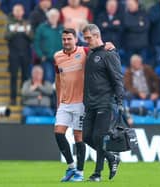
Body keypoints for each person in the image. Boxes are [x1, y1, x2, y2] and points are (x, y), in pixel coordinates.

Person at [82, 24, 123, 182]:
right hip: (90, 103)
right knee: (86, 137)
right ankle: (111, 157)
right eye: (85, 38)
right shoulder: (91, 53)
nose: (86, 41)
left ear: (97, 35)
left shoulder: (109, 54)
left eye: (88, 38)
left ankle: (97, 174)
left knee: (99, 137)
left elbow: (117, 79)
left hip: (105, 102)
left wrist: (119, 101)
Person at [53, 28, 87, 182]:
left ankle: (80, 172)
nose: (66, 42)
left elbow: (98, 46)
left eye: (69, 39)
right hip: (64, 103)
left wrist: (108, 45)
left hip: (80, 103)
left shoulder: (84, 52)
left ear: (76, 39)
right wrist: (58, 102)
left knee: (78, 137)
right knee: (58, 133)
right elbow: (58, 80)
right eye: (64, 39)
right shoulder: (57, 56)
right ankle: (71, 166)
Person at [4, 4, 33, 105]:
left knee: (25, 77)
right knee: (13, 77)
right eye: (16, 10)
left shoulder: (27, 22)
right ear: (13, 11)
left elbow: (32, 38)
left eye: (19, 10)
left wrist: (27, 32)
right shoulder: (9, 22)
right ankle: (13, 99)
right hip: (13, 54)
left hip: (25, 54)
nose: (18, 12)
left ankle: (23, 98)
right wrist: (14, 31)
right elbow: (6, 37)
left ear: (23, 12)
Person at [34, 8, 63, 83]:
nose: (53, 18)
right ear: (48, 17)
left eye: (55, 16)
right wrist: (41, 55)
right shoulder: (41, 28)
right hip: (47, 59)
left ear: (58, 17)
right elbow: (36, 43)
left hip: (60, 60)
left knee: (59, 80)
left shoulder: (62, 28)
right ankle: (49, 95)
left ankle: (57, 95)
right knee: (48, 78)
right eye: (52, 16)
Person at [122, 0, 150, 65]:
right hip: (130, 46)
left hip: (142, 46)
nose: (130, 6)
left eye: (131, 4)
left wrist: (132, 26)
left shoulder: (144, 13)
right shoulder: (125, 15)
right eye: (128, 5)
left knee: (143, 66)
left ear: (137, 4)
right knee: (130, 67)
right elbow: (126, 25)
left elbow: (146, 26)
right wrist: (139, 25)